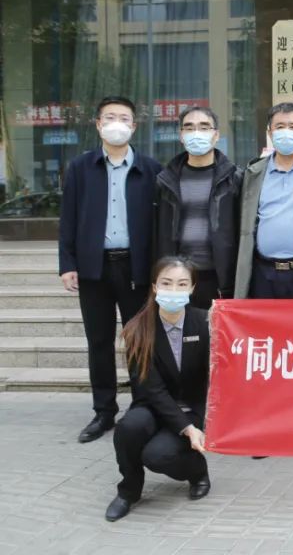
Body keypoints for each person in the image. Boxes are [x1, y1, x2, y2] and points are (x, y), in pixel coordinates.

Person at [59, 95, 163, 444]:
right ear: (98, 124)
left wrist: (159, 270)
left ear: (134, 126)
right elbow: (68, 218)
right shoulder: (81, 167)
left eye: (124, 118)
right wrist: (67, 264)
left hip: (136, 267)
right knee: (99, 341)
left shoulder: (151, 169)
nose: (117, 124)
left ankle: (142, 408)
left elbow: (160, 223)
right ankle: (103, 411)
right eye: (110, 117)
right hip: (94, 268)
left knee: (139, 340)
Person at [107, 257, 211, 521]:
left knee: (157, 456)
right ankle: (129, 491)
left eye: (182, 284)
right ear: (154, 286)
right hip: (152, 405)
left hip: (191, 406)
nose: (174, 290)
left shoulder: (206, 323)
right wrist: (187, 430)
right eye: (166, 283)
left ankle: (197, 471)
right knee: (128, 428)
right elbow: (152, 390)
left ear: (192, 288)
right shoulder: (137, 329)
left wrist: (199, 423)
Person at [234, 103, 293, 299]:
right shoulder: (254, 172)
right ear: (270, 133)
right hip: (262, 272)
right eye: (280, 126)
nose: (286, 132)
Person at [154, 106, 242, 310]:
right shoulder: (166, 180)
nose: (196, 133)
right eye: (189, 128)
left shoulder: (234, 178)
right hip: (178, 278)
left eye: (204, 127)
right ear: (181, 136)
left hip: (219, 277)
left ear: (216, 135)